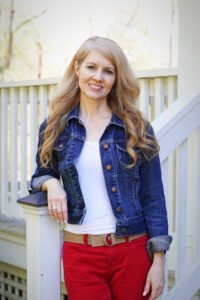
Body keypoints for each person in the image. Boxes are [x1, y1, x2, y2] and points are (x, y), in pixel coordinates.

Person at [30, 36, 172, 300]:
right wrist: (51, 184)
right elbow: (41, 174)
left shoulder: (137, 127)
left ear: (117, 78)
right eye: (91, 67)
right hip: (80, 254)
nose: (99, 77)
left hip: (132, 251)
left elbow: (153, 197)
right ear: (77, 69)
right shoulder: (55, 125)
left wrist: (159, 260)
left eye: (109, 71)